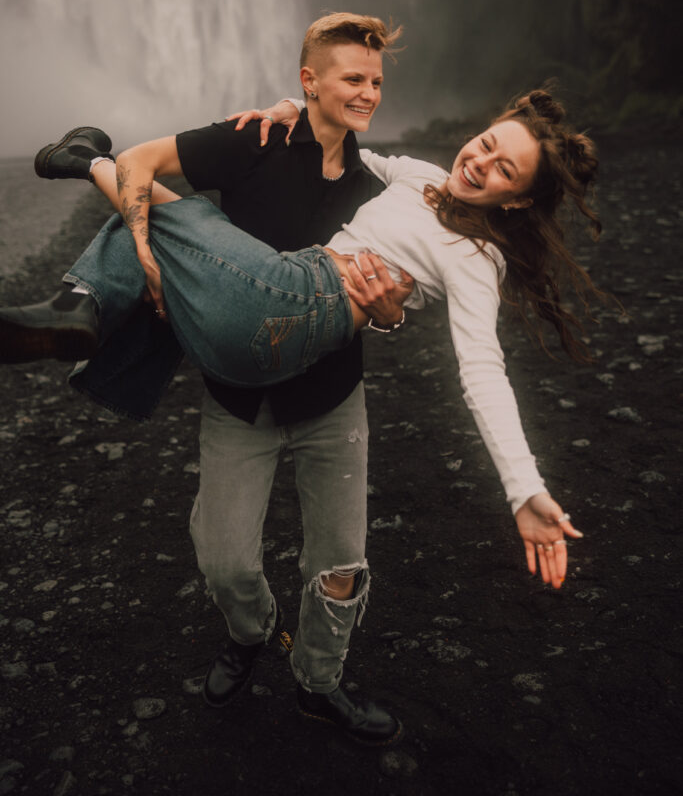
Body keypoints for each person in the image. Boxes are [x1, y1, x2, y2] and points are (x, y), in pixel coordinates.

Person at [2, 13, 416, 747]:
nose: (367, 94)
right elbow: (143, 167)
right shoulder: (251, 140)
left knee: (340, 562)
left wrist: (389, 318)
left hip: (330, 396)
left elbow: (399, 286)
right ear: (307, 81)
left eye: (376, 82)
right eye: (353, 78)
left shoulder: (375, 184)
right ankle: (252, 632)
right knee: (223, 562)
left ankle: (319, 683)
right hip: (239, 395)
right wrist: (142, 245)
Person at [3, 80, 594, 590]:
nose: (481, 163)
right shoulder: (421, 176)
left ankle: (86, 186)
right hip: (270, 329)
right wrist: (292, 108)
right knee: (163, 217)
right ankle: (77, 297)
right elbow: (342, 147)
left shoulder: (478, 255)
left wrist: (524, 490)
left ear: (516, 200)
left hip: (305, 301)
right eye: (488, 143)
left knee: (188, 217)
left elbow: (483, 369)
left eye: (503, 171)